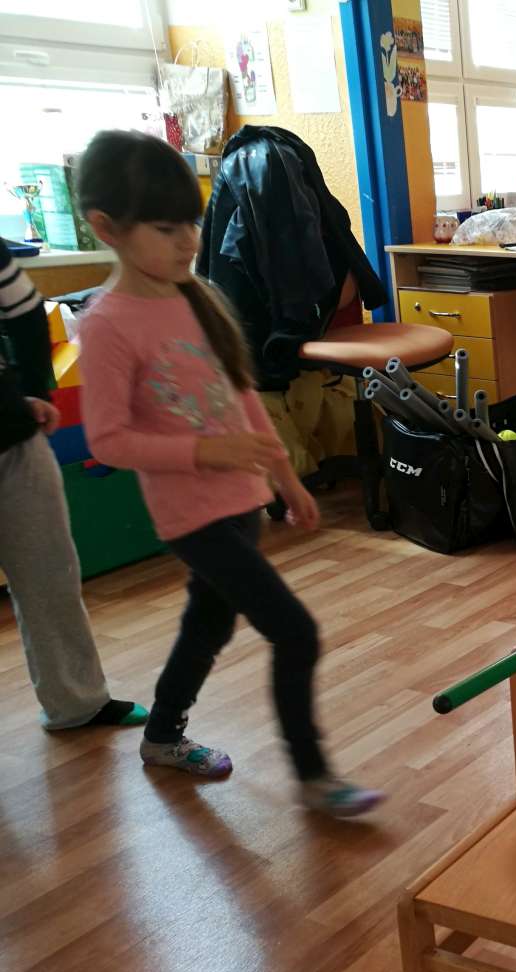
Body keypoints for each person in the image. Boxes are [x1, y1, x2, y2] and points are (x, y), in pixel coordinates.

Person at [74, 130, 382, 818]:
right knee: (295, 631)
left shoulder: (197, 297)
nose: (188, 239)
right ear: (107, 228)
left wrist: (288, 479)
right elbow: (108, 440)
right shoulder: (107, 324)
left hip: (242, 499)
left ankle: (161, 735)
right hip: (192, 515)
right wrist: (206, 454)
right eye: (165, 228)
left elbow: (241, 399)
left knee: (207, 625)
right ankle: (314, 776)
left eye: (191, 221)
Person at [0, 238, 145, 732]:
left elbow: (25, 311)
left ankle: (77, 703)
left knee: (50, 573)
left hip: (12, 436)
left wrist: (31, 391)